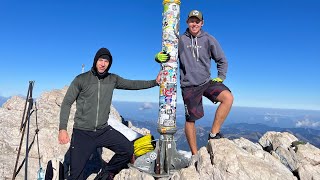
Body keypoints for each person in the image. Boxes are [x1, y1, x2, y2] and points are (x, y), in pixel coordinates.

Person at [58, 47, 161, 179]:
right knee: (76, 175)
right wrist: (62, 128)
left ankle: (105, 174)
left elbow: (132, 84)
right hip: (83, 133)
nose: (103, 64)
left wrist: (154, 82)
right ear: (95, 61)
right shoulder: (81, 79)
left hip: (103, 130)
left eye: (106, 61)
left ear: (109, 64)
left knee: (127, 150)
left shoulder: (112, 79)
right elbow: (67, 102)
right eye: (100, 60)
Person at [155, 10, 234, 166]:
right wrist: (158, 58)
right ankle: (194, 155)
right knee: (190, 120)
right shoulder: (181, 40)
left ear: (202, 23)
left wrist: (221, 76)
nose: (194, 24)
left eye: (197, 21)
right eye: (192, 21)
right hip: (189, 85)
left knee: (228, 98)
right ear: (187, 22)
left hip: (206, 82)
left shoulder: (209, 39)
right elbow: (168, 56)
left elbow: (222, 60)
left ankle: (213, 134)